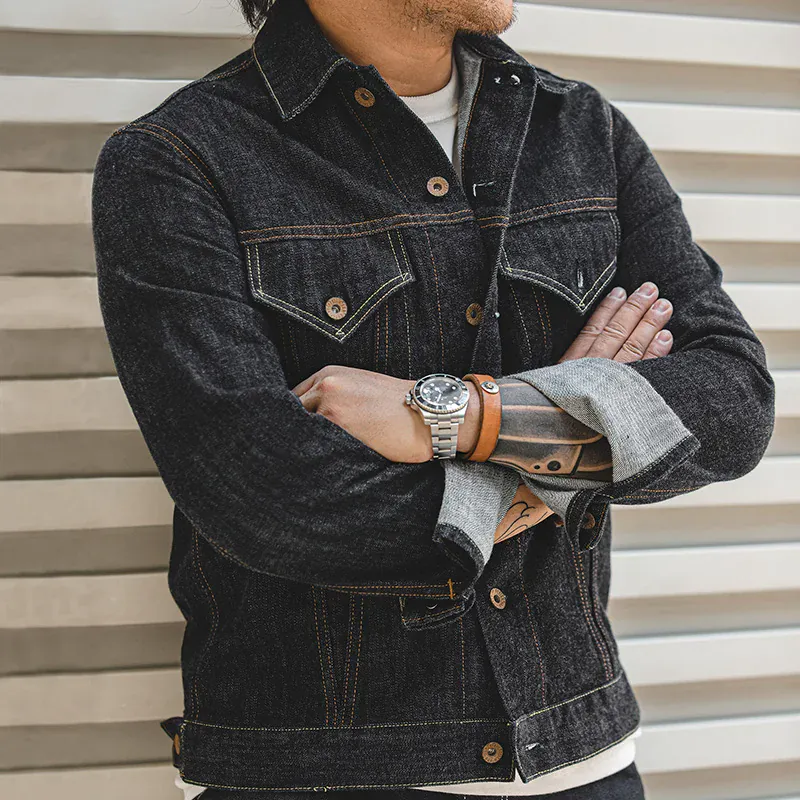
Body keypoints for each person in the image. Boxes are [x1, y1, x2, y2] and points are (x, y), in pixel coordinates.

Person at [91, 0, 775, 797]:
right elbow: (278, 504)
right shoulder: (178, 159)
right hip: (325, 773)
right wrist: (586, 425)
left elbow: (734, 403)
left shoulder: (581, 131)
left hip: (581, 759)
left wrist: (452, 415)